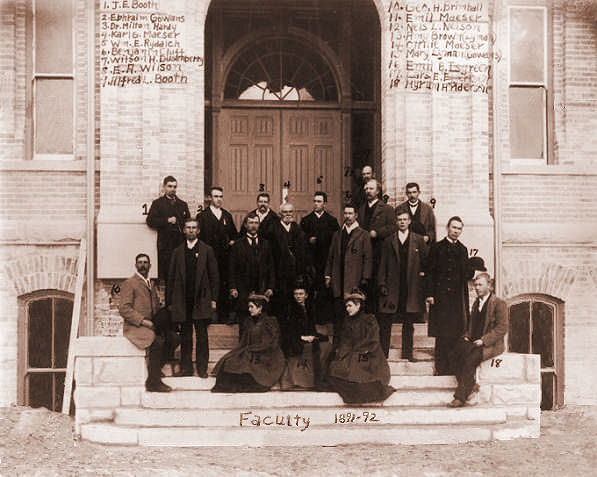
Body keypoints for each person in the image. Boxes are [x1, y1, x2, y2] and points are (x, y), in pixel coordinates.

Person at [167, 218, 219, 377]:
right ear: (184, 230)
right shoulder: (177, 252)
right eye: (188, 228)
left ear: (198, 231)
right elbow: (171, 277)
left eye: (194, 228)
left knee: (202, 336)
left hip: (201, 299)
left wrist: (214, 299)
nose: (191, 230)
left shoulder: (207, 250)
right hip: (183, 300)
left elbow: (214, 276)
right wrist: (170, 302)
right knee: (186, 336)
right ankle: (186, 368)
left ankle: (202, 369)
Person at [448, 273, 508, 407]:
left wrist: (484, 340)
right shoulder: (476, 303)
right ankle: (471, 385)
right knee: (453, 354)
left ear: (489, 286)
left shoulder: (499, 304)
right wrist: (467, 336)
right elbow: (473, 325)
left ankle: (460, 397)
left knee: (470, 359)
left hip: (491, 345)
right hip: (474, 341)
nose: (477, 287)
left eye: (480, 285)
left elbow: (502, 328)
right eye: (475, 285)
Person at [326, 289, 395, 404]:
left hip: (368, 354)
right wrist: (344, 352)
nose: (347, 309)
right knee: (336, 369)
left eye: (350, 306)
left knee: (359, 369)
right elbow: (345, 341)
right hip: (352, 353)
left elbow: (372, 340)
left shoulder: (369, 319)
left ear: (358, 305)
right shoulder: (348, 321)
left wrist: (358, 350)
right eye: (346, 306)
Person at [118, 254, 175, 392]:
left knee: (174, 339)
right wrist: (143, 321)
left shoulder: (151, 284)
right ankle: (153, 382)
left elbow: (155, 307)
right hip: (135, 327)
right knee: (157, 341)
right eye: (140, 262)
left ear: (150, 266)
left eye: (145, 263)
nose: (143, 265)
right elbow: (124, 309)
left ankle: (154, 369)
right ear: (135, 265)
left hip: (150, 324)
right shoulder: (130, 283)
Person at [426, 216, 474, 375]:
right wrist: (430, 294)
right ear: (447, 228)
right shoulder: (437, 247)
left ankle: (453, 368)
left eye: (459, 229)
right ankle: (441, 368)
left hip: (456, 299)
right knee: (441, 335)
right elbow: (430, 272)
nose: (456, 231)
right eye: (454, 228)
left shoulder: (463, 250)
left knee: (455, 334)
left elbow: (465, 273)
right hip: (440, 298)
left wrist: (472, 268)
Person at [377, 210, 429, 359]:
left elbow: (426, 263)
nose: (402, 222)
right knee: (386, 322)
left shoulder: (418, 240)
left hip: (411, 287)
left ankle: (407, 353)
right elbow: (382, 264)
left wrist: (423, 282)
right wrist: (382, 283)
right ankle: (383, 354)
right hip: (392, 287)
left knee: (408, 322)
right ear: (396, 222)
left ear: (409, 222)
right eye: (399, 219)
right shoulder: (388, 241)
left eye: (405, 219)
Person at [211, 293, 285, 393]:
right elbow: (244, 342)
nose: (249, 309)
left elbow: (271, 343)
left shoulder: (270, 321)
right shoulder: (249, 321)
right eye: (249, 307)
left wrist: (251, 350)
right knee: (231, 361)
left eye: (252, 307)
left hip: (267, 356)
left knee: (247, 366)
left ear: (260, 308)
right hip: (251, 352)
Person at [324, 204, 372, 336]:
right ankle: (338, 347)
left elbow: (368, 258)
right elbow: (331, 256)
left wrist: (365, 278)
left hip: (354, 280)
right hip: (338, 279)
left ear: (356, 215)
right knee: (338, 315)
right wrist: (328, 275)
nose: (348, 216)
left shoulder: (363, 235)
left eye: (350, 213)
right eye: (345, 213)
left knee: (354, 315)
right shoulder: (338, 234)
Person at [228, 212, 275, 338]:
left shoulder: (266, 244)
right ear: (245, 225)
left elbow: (271, 268)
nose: (253, 226)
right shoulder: (238, 245)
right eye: (251, 223)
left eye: (256, 223)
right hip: (243, 291)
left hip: (261, 290)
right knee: (244, 326)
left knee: (261, 326)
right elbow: (231, 269)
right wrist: (233, 287)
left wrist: (270, 287)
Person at [196, 186, 238, 323]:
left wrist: (232, 241)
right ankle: (207, 316)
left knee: (223, 284)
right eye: (215, 196)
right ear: (209, 198)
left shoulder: (227, 215)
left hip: (224, 258)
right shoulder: (202, 216)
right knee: (207, 284)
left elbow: (234, 235)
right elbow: (198, 238)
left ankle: (224, 315)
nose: (218, 199)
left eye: (220, 196)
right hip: (208, 257)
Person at [300, 191, 340, 324]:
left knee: (325, 290)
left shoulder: (332, 221)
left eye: (319, 201)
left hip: (325, 261)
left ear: (324, 204)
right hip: (311, 262)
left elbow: (336, 242)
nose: (316, 204)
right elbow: (300, 239)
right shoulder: (306, 221)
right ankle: (309, 319)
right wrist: (308, 240)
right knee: (310, 290)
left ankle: (324, 319)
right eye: (315, 201)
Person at [358, 179, 398, 314]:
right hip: (364, 254)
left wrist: (378, 233)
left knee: (378, 286)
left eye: (371, 189)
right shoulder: (362, 209)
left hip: (380, 253)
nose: (368, 191)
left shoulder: (387, 209)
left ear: (378, 191)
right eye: (366, 189)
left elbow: (394, 227)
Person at [278, 282, 328, 390]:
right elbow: (287, 330)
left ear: (306, 295)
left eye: (301, 294)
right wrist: (301, 337)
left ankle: (318, 379)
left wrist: (313, 336)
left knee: (326, 344)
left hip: (306, 336)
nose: (298, 296)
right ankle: (301, 381)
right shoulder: (289, 309)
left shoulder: (309, 308)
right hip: (292, 338)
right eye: (296, 294)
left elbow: (311, 327)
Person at [146, 176, 190, 283]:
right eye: (170, 186)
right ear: (164, 187)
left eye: (174, 187)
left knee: (180, 275)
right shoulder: (158, 203)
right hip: (165, 245)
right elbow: (150, 221)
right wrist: (167, 220)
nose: (172, 189)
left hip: (180, 244)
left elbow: (188, 222)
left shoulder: (183, 204)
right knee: (167, 277)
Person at [270, 202, 308, 318]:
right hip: (279, 274)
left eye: (290, 212)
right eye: (285, 212)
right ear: (280, 213)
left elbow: (303, 253)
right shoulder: (273, 230)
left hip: (294, 274)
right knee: (280, 305)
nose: (288, 214)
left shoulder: (298, 229)